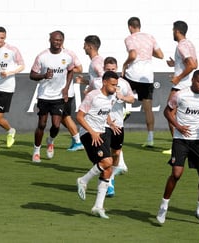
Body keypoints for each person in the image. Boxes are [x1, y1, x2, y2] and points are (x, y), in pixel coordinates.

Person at [156, 70, 199, 226]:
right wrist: (178, 127)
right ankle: (163, 207)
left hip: (198, 141)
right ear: (193, 80)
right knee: (176, 173)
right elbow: (167, 112)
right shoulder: (180, 95)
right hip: (181, 140)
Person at [86, 56, 135, 197]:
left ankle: (110, 177)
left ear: (117, 68)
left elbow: (132, 98)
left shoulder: (124, 84)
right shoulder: (97, 82)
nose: (111, 71)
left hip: (118, 123)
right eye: (108, 69)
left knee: (116, 153)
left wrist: (123, 98)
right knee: (106, 155)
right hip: (102, 124)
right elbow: (88, 93)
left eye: (113, 69)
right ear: (103, 69)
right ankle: (109, 182)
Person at [76, 70, 120, 219]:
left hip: (102, 132)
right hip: (88, 133)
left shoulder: (111, 97)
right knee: (107, 161)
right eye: (113, 85)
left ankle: (98, 207)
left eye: (116, 85)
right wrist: (92, 132)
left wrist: (109, 123)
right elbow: (79, 117)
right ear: (105, 82)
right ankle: (83, 180)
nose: (115, 88)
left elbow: (104, 111)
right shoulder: (92, 96)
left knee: (107, 169)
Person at [30, 30, 75, 163]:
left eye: (60, 40)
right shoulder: (42, 56)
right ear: (50, 40)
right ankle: (36, 150)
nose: (57, 42)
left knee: (56, 125)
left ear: (63, 41)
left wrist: (66, 88)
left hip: (58, 96)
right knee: (42, 124)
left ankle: (50, 141)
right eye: (55, 40)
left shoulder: (67, 56)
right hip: (44, 95)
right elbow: (32, 75)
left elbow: (71, 70)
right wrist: (43, 76)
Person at [122, 17, 164, 147]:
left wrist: (125, 64)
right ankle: (150, 138)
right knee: (148, 109)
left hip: (133, 74)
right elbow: (160, 55)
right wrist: (147, 53)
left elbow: (133, 55)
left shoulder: (129, 39)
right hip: (147, 77)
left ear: (130, 27)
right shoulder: (150, 37)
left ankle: (124, 109)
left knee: (116, 93)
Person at [163, 20, 198, 155]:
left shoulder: (181, 46)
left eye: (173, 30)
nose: (172, 32)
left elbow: (192, 65)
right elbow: (195, 63)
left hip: (180, 86)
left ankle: (177, 146)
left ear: (177, 31)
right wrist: (175, 63)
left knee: (169, 113)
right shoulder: (190, 44)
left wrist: (178, 77)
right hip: (187, 84)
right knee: (184, 115)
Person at [61, 49, 84, 152]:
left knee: (65, 116)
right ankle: (75, 136)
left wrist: (64, 69)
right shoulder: (50, 55)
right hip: (56, 93)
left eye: (58, 40)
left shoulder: (69, 53)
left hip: (66, 92)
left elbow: (79, 69)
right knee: (61, 117)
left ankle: (78, 141)